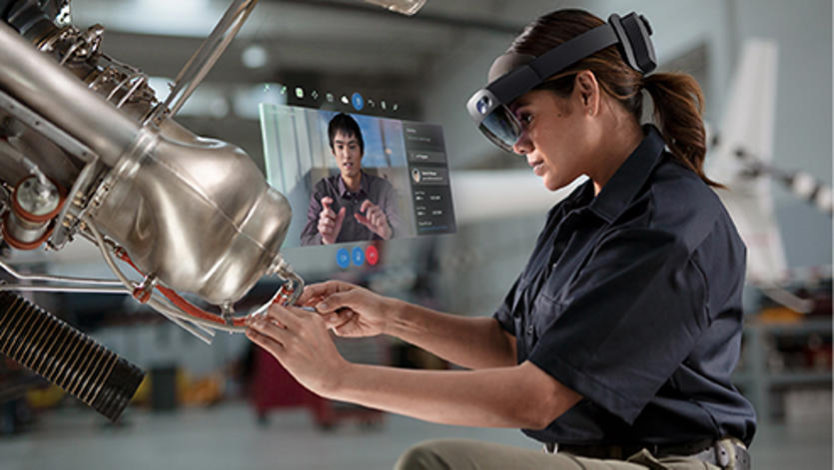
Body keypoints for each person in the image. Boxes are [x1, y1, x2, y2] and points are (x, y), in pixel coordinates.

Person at [248, 9, 756, 470]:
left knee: (435, 465)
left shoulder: (667, 222)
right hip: (598, 459)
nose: (518, 143)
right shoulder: (577, 217)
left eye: (525, 117)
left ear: (586, 93)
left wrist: (341, 381)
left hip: (666, 464)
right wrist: (388, 315)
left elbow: (538, 397)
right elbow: (509, 344)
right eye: (505, 126)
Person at [300, 113, 401, 245]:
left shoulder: (383, 188)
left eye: (352, 146)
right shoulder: (322, 190)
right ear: (333, 153)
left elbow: (405, 232)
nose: (346, 155)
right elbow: (305, 242)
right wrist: (324, 240)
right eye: (340, 147)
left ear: (362, 152)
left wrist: (388, 232)